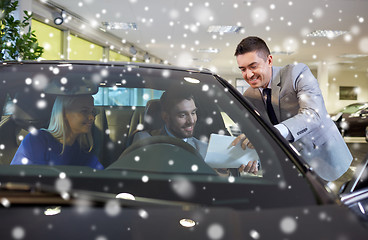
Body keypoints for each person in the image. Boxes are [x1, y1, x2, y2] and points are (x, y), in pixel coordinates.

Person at [233, 36, 352, 181]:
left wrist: (273, 133)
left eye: (253, 66)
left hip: (329, 163)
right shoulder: (249, 96)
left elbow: (313, 114)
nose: (248, 75)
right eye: (243, 69)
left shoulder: (297, 73)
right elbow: (258, 134)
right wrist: (252, 157)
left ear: (269, 60)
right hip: (292, 171)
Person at [132, 91, 258, 175]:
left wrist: (248, 163)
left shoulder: (205, 148)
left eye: (193, 113)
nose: (191, 121)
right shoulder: (145, 139)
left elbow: (217, 186)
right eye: (182, 115)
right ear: (166, 117)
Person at [11, 95, 104, 169]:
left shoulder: (82, 153)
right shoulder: (37, 141)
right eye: (84, 111)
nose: (92, 117)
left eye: (93, 111)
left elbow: (103, 178)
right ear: (63, 113)